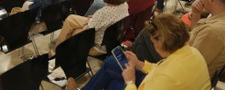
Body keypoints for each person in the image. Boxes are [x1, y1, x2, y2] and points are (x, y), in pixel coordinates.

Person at [67, 14, 211, 90]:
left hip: (155, 84)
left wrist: (130, 81)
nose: (153, 46)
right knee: (111, 62)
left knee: (112, 83)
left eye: (154, 42)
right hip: (161, 81)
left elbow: (165, 74)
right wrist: (140, 64)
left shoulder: (168, 77)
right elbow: (161, 68)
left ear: (161, 41)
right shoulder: (192, 52)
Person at [54, 0, 129, 56]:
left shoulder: (102, 13)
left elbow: (86, 32)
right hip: (110, 41)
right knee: (70, 19)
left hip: (97, 48)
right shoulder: (125, 5)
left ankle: (58, 50)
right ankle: (60, 45)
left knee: (74, 31)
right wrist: (92, 19)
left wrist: (86, 24)